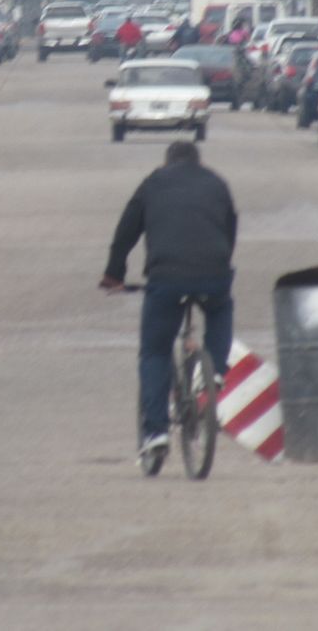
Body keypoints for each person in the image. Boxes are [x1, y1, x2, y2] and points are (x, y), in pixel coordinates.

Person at [99, 140, 238, 466]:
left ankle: (156, 433)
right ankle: (215, 369)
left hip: (167, 278)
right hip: (213, 273)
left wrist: (114, 274)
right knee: (220, 308)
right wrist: (219, 262)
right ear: (197, 161)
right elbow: (230, 227)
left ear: (167, 162)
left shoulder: (153, 183)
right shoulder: (217, 183)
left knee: (155, 352)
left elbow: (126, 231)